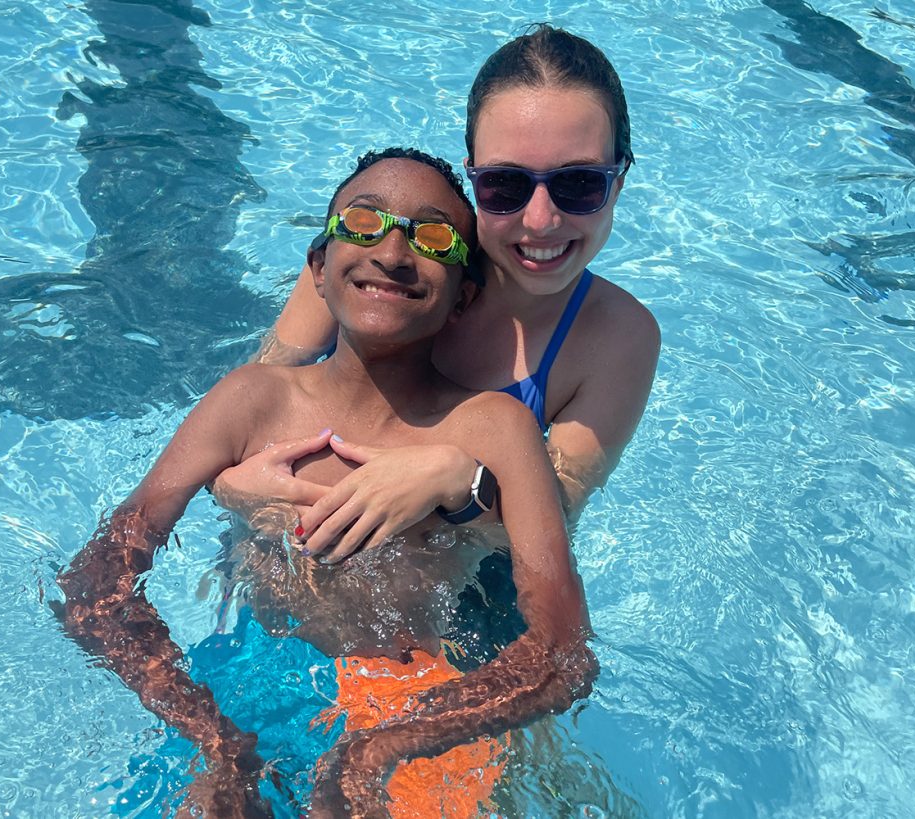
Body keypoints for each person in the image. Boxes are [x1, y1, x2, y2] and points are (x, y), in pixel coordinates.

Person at [57, 148, 597, 817]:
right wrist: (213, 735)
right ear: (318, 267)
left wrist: (382, 746)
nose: (393, 252)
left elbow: (563, 651)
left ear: (466, 296)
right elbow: (94, 581)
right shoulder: (252, 401)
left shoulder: (493, 428)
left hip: (420, 704)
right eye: (363, 222)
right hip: (246, 687)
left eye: (432, 237)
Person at [213, 24, 660, 560]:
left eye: (580, 183)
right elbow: (252, 407)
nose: (541, 220)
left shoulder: (614, 338)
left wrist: (458, 481)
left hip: (457, 599)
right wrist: (226, 485)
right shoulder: (369, 266)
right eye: (505, 185)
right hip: (291, 546)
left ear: (620, 180)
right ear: (472, 177)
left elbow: (553, 527)